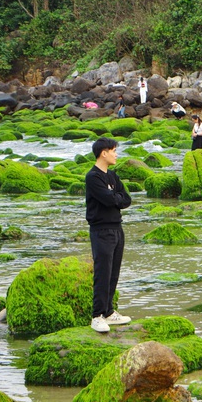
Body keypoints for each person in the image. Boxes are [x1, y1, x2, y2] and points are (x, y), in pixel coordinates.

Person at [85, 137, 132, 333]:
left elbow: (126, 199)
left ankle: (109, 312)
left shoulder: (112, 176)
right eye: (113, 150)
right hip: (101, 229)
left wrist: (115, 198)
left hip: (117, 228)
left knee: (114, 272)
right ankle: (97, 316)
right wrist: (115, 198)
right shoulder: (93, 177)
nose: (116, 154)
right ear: (103, 153)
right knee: (103, 273)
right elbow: (107, 198)